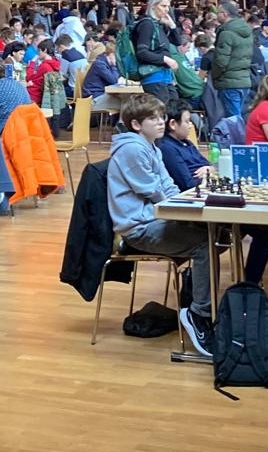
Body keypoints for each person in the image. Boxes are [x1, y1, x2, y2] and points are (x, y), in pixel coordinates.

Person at [107, 93, 214, 356]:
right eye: (153, 118)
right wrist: (181, 208)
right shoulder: (132, 149)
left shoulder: (153, 147)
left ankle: (197, 300)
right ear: (136, 124)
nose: (160, 122)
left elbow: (167, 185)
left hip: (155, 218)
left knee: (215, 233)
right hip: (138, 229)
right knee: (205, 243)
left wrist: (185, 202)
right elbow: (153, 191)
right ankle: (199, 314)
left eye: (162, 117)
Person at [131, 0, 183, 98]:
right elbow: (142, 52)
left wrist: (172, 25)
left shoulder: (158, 25)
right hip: (153, 78)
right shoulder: (147, 24)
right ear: (153, 6)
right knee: (163, 108)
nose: (167, 9)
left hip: (165, 77)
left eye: (168, 6)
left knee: (174, 106)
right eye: (163, 6)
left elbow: (178, 42)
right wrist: (166, 59)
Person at [211, 0, 254, 118]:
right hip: (245, 80)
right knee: (241, 118)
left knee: (233, 121)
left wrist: (214, 76)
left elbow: (221, 62)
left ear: (225, 14)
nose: (216, 15)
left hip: (229, 82)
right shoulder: (247, 31)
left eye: (218, 12)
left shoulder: (226, 34)